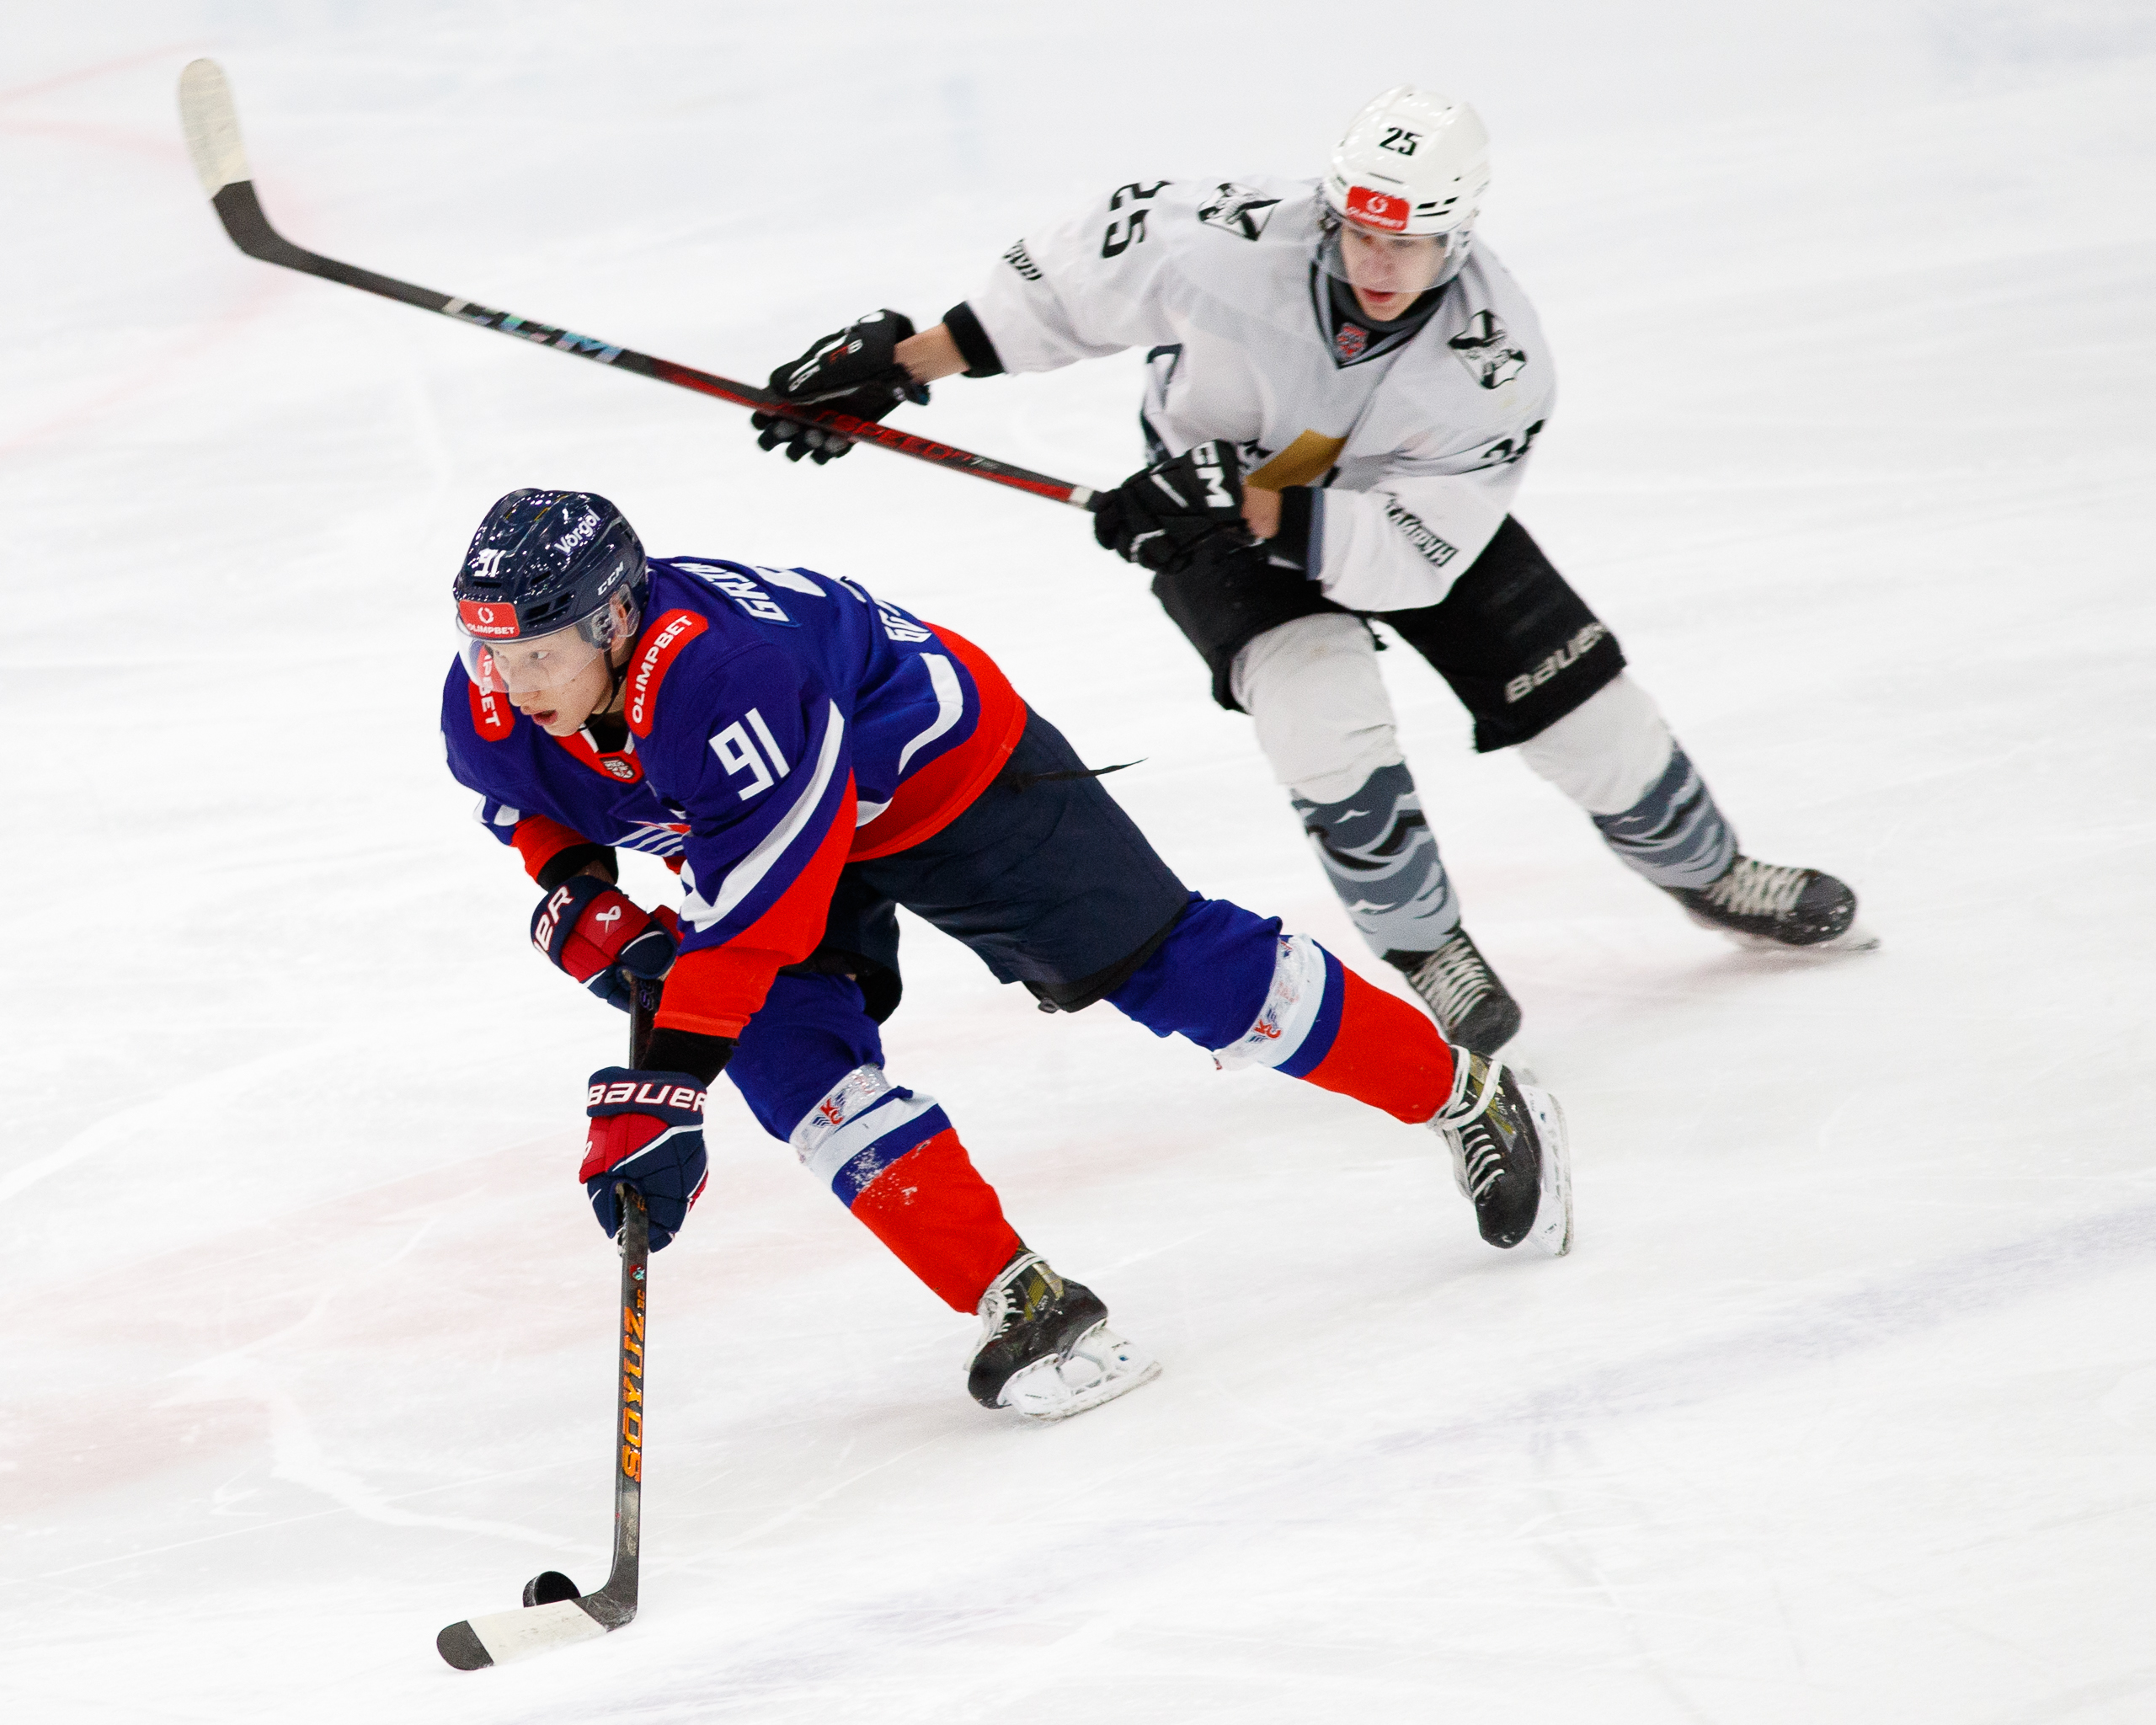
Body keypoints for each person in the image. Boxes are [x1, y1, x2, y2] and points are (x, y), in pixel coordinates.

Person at [749, 84, 1865, 1057]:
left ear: (1460, 233)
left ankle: (1709, 871)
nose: (1379, 264)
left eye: (1410, 243)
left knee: (1591, 717)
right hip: (1206, 517)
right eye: (1361, 232)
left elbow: (1421, 550)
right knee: (1322, 721)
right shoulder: (1219, 234)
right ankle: (1430, 947)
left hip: (1383, 513)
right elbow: (1070, 284)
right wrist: (900, 365)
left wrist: (1257, 499)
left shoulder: (1499, 359)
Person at [441, 488, 1571, 1421]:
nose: (511, 683)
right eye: (489, 651)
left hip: (942, 778)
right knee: (788, 1060)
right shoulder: (490, 696)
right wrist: (578, 894)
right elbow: (529, 807)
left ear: (614, 621)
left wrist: (666, 1085)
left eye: (538, 653)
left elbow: (759, 923)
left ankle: (1465, 1095)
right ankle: (1025, 1301)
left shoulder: (722, 675)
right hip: (766, 817)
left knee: (1176, 971)